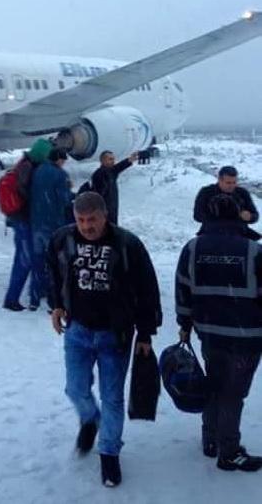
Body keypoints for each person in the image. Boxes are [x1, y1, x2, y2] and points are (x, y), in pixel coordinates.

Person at [48, 192, 161, 488]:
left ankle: (109, 452)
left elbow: (147, 288)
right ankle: (90, 419)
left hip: (116, 334)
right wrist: (57, 304)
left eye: (92, 220)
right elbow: (55, 273)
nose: (87, 226)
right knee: (75, 388)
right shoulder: (64, 240)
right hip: (78, 331)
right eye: (81, 220)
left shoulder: (127, 244)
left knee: (112, 398)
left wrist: (146, 332)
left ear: (104, 215)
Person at [176, 193, 262, 472]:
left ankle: (210, 439)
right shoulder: (253, 250)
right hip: (246, 337)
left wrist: (185, 324)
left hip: (209, 332)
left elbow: (183, 289)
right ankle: (229, 451)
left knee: (214, 384)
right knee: (233, 394)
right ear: (238, 216)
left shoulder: (193, 247)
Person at [3, 138, 52, 311]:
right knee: (24, 260)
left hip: (23, 219)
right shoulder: (27, 167)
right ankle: (11, 299)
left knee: (31, 257)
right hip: (23, 220)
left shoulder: (26, 164)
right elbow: (27, 193)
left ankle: (38, 290)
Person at [30, 148, 73, 309]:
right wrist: (71, 193)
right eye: (63, 160)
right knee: (54, 264)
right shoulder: (59, 174)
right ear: (59, 160)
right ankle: (52, 301)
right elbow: (64, 199)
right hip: (53, 225)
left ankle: (34, 298)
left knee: (37, 261)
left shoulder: (39, 170)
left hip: (36, 223)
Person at [193, 165, 259, 240]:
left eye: (234, 182)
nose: (232, 186)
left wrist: (249, 217)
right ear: (219, 180)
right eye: (228, 183)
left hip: (239, 234)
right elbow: (197, 216)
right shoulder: (206, 192)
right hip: (211, 233)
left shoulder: (242, 193)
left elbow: (255, 216)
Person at [90, 150, 138, 225]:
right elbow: (97, 196)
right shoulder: (99, 175)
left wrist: (129, 160)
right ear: (103, 160)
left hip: (112, 211)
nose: (113, 161)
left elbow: (118, 167)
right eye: (110, 159)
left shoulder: (111, 171)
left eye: (113, 159)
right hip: (104, 213)